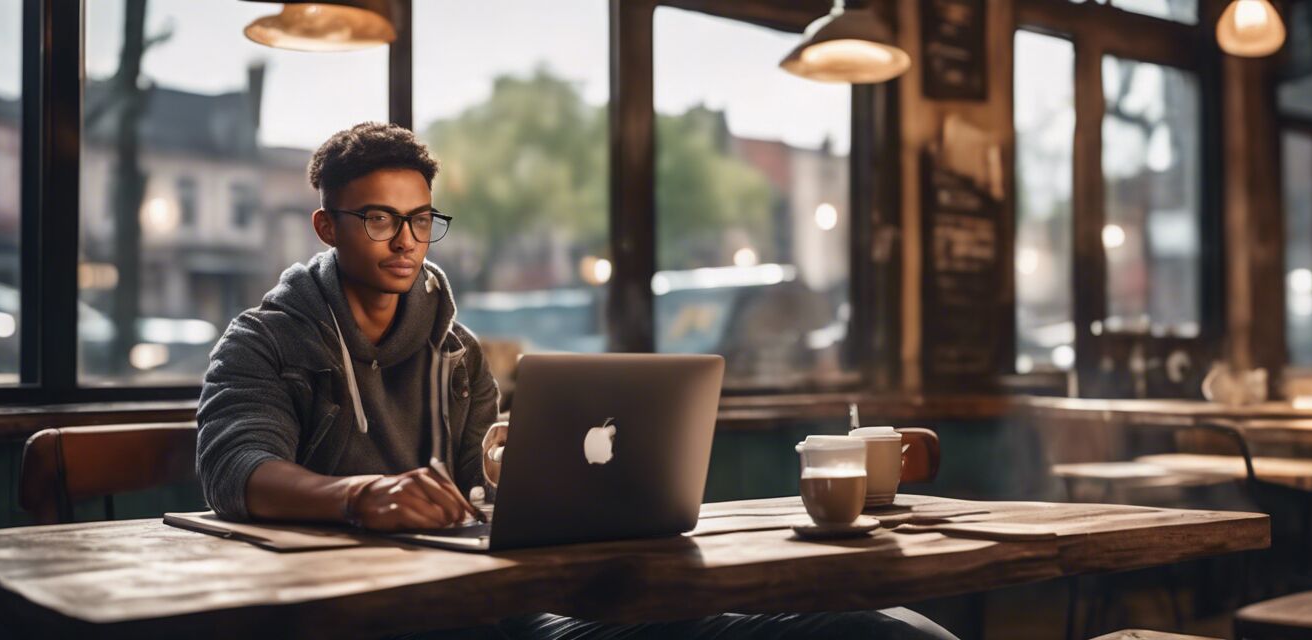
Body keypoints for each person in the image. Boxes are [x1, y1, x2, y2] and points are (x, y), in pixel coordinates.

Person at [196, 122, 957, 640]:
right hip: (356, 621)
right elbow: (236, 471)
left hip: (505, 613)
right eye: (378, 219)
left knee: (881, 632)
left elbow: (483, 495)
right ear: (327, 226)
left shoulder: (457, 354)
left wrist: (534, 493)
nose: (407, 241)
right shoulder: (265, 341)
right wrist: (362, 495)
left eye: (422, 219)